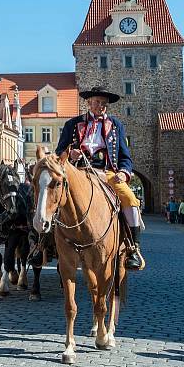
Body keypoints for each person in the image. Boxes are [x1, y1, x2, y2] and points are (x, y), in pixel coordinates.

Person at [54, 86, 144, 270]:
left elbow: (125, 157)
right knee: (52, 196)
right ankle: (42, 244)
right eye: (96, 102)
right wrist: (71, 154)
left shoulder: (116, 125)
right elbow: (59, 152)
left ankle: (133, 248)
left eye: (103, 103)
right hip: (79, 172)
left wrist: (123, 172)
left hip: (107, 173)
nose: (100, 106)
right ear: (88, 103)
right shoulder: (72, 124)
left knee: (130, 199)